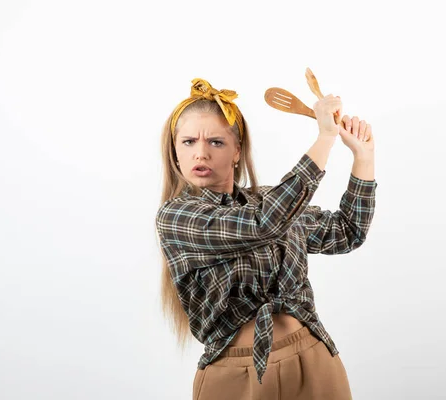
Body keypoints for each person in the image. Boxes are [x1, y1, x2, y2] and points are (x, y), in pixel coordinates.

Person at [155, 78, 377, 399]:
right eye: (188, 142)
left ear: (237, 151)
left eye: (216, 142)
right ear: (175, 153)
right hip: (235, 375)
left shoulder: (274, 201)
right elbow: (263, 225)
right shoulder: (177, 216)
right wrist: (325, 137)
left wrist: (363, 157)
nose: (200, 153)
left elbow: (347, 232)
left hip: (313, 360)